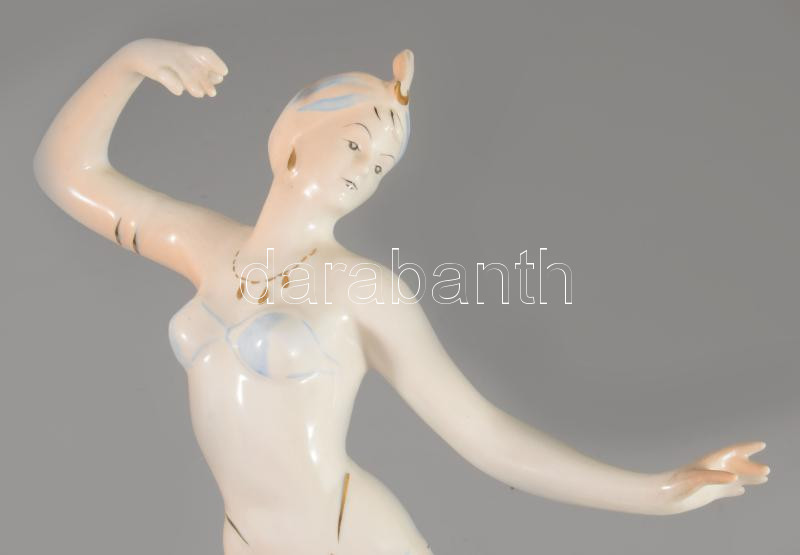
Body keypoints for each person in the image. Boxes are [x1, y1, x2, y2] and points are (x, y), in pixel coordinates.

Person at [34, 38, 769, 555]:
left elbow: (482, 432)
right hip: (245, 540)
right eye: (357, 143)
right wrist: (128, 62)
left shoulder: (363, 289)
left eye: (383, 163)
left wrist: (655, 492)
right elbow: (67, 173)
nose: (368, 167)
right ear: (293, 138)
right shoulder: (202, 244)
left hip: (351, 539)